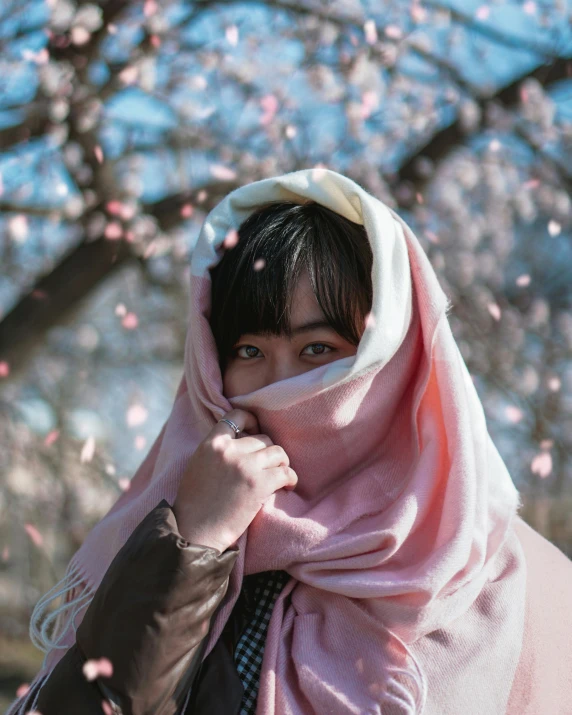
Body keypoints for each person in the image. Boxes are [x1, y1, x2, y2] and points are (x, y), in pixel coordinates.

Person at [8, 168, 572, 715]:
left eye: (319, 350)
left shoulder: (517, 588)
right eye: (249, 352)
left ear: (394, 361)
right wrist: (190, 548)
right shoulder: (171, 528)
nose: (283, 385)